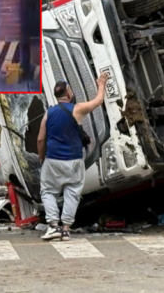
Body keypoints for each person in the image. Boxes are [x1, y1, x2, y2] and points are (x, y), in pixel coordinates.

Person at [38, 72, 109, 242]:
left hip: (53, 160)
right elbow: (98, 101)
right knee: (72, 192)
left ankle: (53, 226)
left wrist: (42, 159)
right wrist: (101, 84)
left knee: (48, 191)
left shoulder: (48, 113)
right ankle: (65, 229)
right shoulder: (78, 109)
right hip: (75, 160)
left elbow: (40, 139)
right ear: (69, 93)